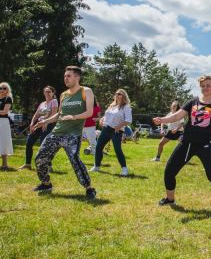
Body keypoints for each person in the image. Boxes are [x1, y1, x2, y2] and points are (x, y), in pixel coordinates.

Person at [152, 75, 211, 214]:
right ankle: (170, 199)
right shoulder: (192, 102)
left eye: (208, 85)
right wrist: (162, 120)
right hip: (187, 142)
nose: (205, 88)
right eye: (203, 85)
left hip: (205, 144)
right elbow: (177, 115)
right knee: (169, 171)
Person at [32, 66, 96, 198]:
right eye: (65, 76)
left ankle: (89, 188)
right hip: (56, 132)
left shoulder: (86, 91)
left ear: (77, 77)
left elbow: (89, 112)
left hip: (73, 133)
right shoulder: (63, 94)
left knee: (75, 159)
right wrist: (44, 122)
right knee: (40, 158)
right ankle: (46, 183)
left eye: (69, 76)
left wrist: (74, 117)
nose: (65, 78)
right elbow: (59, 115)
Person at [90, 89, 132, 176]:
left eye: (119, 94)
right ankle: (96, 166)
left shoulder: (126, 107)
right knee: (98, 147)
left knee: (117, 150)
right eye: (116, 94)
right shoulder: (112, 105)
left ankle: (124, 169)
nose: (117, 95)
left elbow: (128, 120)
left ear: (123, 96)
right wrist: (102, 120)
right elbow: (106, 115)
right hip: (106, 129)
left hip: (117, 130)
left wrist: (119, 126)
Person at [20, 86, 58, 170]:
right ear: (43, 92)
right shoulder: (42, 103)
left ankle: (48, 165)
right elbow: (36, 114)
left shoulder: (54, 101)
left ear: (53, 93)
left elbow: (54, 114)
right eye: (46, 91)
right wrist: (31, 124)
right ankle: (28, 164)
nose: (47, 93)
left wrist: (46, 122)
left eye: (49, 92)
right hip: (39, 124)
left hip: (49, 125)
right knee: (29, 142)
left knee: (44, 144)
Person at [0, 82, 14, 170]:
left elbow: (5, 112)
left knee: (3, 141)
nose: (2, 90)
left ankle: (4, 164)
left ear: (7, 90)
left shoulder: (8, 99)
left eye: (4, 88)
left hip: (3, 122)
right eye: (0, 88)